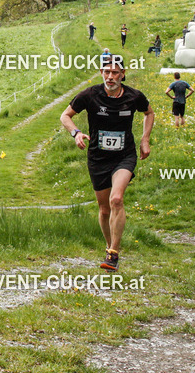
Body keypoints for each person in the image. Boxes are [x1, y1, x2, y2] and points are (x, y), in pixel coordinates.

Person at [60, 54, 154, 272]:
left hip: (124, 156)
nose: (110, 77)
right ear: (102, 73)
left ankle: (113, 253)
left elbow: (149, 113)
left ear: (122, 74)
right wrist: (76, 133)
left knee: (117, 199)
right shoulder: (90, 94)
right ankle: (108, 246)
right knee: (103, 210)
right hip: (98, 157)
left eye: (115, 72)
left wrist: (145, 138)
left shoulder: (134, 96)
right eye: (106, 72)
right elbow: (65, 115)